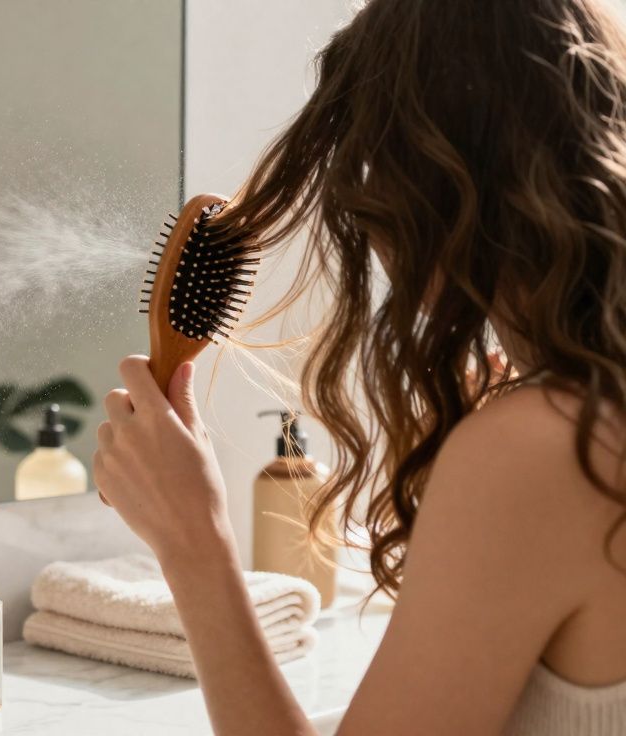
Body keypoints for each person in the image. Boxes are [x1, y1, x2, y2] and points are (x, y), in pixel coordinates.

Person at [95, 0, 626, 733]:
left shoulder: (541, 446)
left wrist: (196, 546)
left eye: (367, 165)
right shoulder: (578, 417)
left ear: (433, 181)